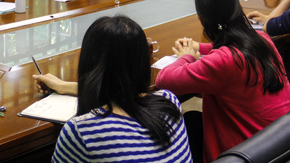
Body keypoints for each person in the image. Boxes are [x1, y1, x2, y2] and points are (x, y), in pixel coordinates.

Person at [155, 0, 290, 162]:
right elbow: (233, 46)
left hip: (250, 154)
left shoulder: (224, 62)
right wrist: (198, 47)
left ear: (201, 20)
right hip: (287, 142)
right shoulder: (262, 39)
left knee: (188, 122)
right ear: (239, 8)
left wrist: (187, 57)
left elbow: (163, 80)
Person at [34, 15, 193, 163]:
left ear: (88, 62)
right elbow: (119, 89)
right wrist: (63, 86)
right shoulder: (169, 101)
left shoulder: (81, 131)